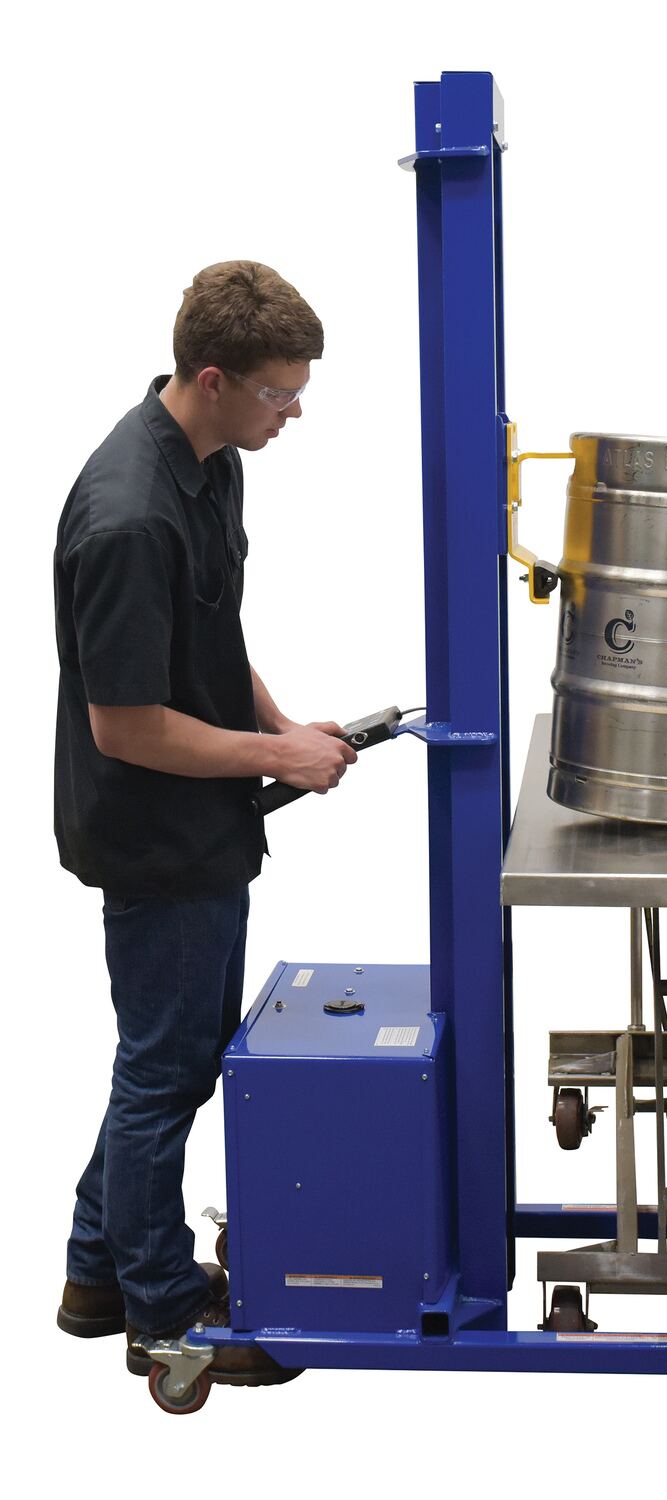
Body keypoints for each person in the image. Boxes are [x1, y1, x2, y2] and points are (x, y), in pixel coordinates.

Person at [53, 260, 357, 1384]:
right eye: (280, 393)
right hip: (156, 834)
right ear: (215, 377)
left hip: (204, 818)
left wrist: (281, 722)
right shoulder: (129, 516)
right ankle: (165, 1313)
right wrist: (277, 757)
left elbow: (212, 635)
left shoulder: (214, 461)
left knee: (166, 1060)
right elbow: (126, 724)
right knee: (166, 1074)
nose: (294, 414)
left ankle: (95, 1274)